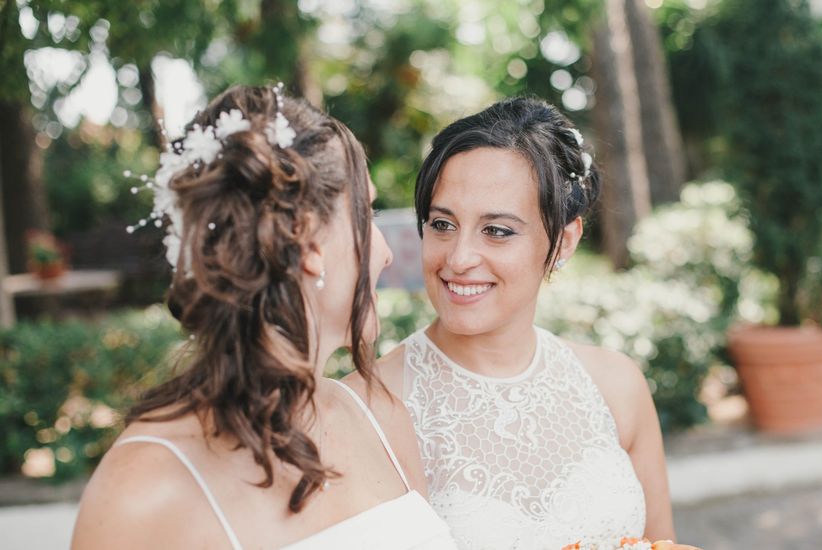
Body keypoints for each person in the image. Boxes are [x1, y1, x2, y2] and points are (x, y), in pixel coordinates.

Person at [72, 84, 458, 550]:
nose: (386, 252)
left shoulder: (380, 416)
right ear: (308, 239)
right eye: (366, 213)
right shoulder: (144, 492)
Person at [346, 97, 676, 549]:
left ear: (563, 241)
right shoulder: (365, 409)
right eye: (442, 224)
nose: (459, 258)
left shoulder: (617, 386)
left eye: (497, 231)